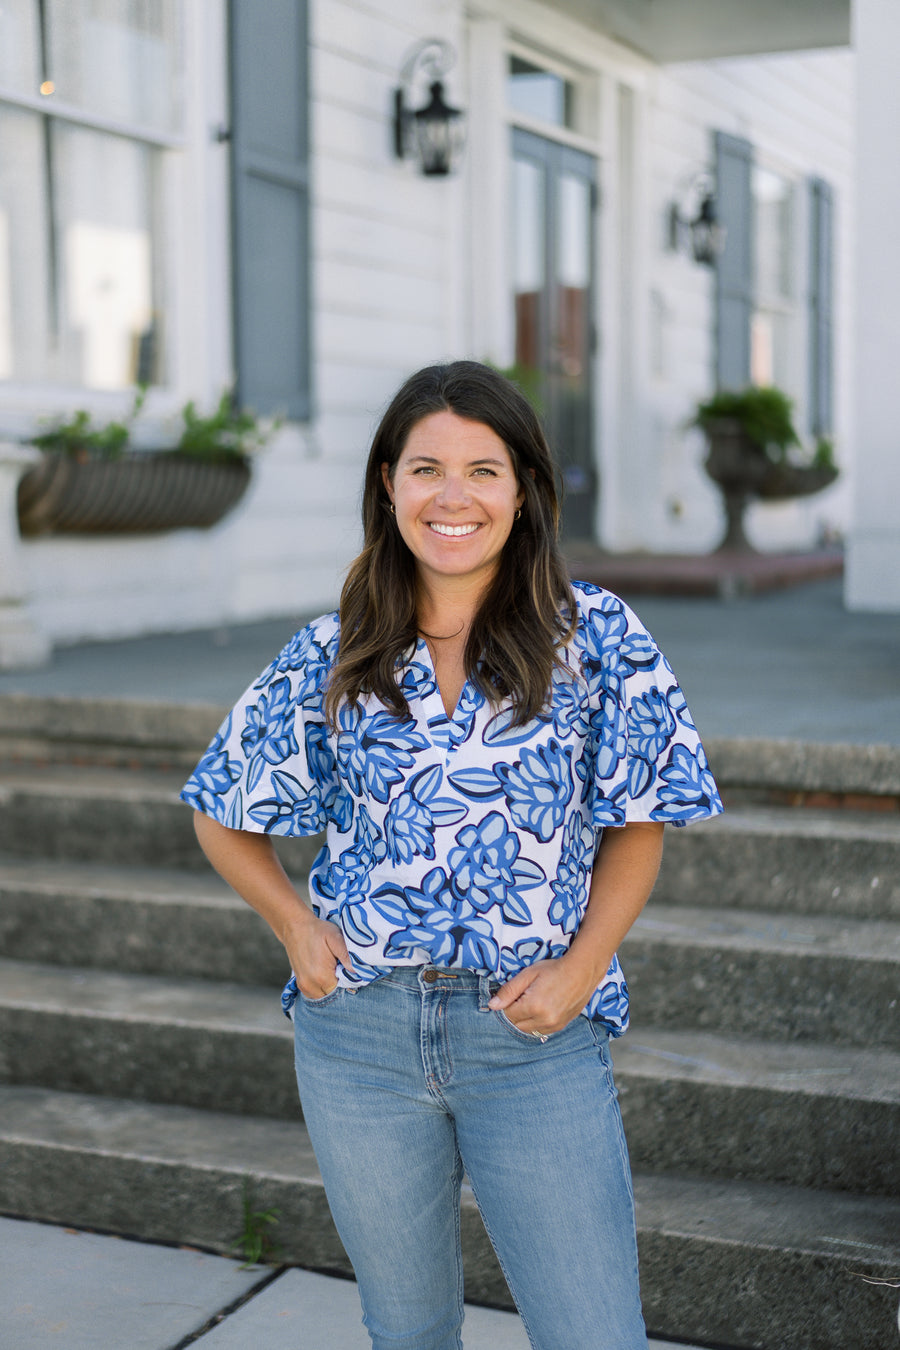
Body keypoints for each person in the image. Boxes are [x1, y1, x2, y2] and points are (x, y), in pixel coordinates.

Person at [181, 360, 723, 1350]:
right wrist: (296, 928)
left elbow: (638, 823)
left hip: (531, 1034)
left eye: (484, 468)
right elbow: (222, 807)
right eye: (427, 467)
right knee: (409, 1328)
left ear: (523, 492)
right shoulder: (335, 647)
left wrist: (583, 969)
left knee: (593, 1335)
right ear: (389, 485)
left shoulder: (597, 636)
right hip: (359, 1038)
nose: (454, 495)